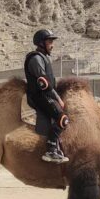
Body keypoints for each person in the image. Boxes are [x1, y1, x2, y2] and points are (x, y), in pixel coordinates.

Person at [24, 29, 69, 163]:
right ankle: (50, 150)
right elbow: (44, 83)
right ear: (41, 43)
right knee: (63, 119)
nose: (52, 44)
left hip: (44, 95)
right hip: (40, 96)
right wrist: (58, 99)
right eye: (50, 41)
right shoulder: (36, 59)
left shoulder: (43, 57)